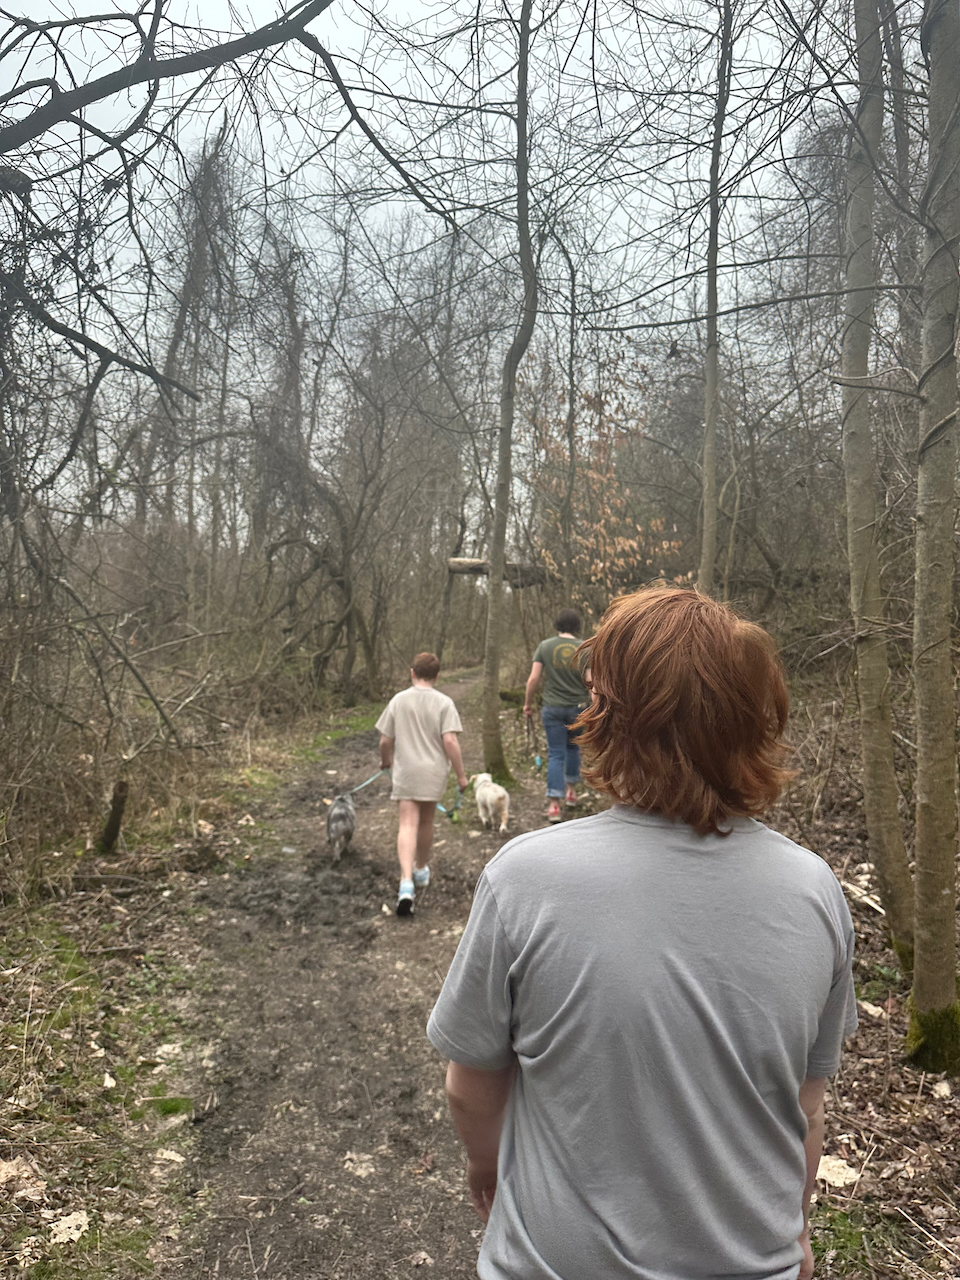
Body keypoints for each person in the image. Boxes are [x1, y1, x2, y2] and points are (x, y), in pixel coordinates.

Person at [427, 586, 857, 1280]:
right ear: (754, 722)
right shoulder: (816, 893)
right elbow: (806, 1111)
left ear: (609, 718)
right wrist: (797, 1232)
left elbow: (470, 1087)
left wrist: (486, 1164)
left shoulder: (526, 877)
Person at [376, 651, 469, 917]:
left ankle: (405, 882)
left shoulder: (398, 700)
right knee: (426, 823)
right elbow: (450, 741)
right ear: (437, 676)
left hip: (406, 771)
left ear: (412, 672)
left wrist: (386, 762)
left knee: (407, 824)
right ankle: (420, 869)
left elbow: (385, 740)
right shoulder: (444, 703)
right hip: (433, 772)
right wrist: (461, 776)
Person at [522, 607, 588, 822]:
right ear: (577, 625)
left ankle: (554, 806)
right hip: (578, 707)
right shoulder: (585, 648)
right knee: (573, 748)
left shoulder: (545, 646)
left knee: (556, 753)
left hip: (552, 707)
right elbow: (591, 682)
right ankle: (571, 793)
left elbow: (533, 679)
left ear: (557, 624)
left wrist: (527, 704)